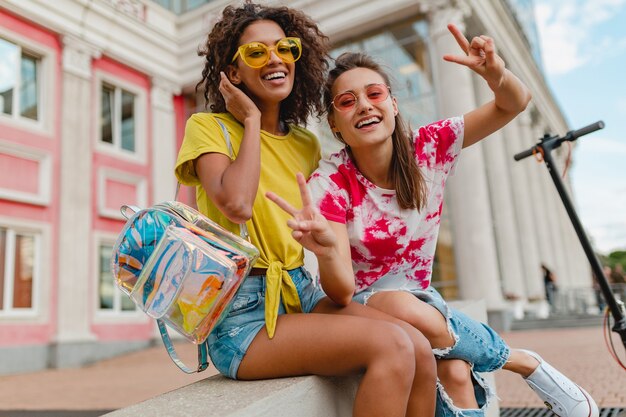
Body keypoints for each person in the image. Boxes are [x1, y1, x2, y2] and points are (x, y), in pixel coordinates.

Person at [268, 24, 599, 417]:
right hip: (360, 307)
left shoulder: (429, 147)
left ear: (392, 104)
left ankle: (499, 361)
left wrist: (496, 74)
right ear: (335, 124)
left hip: (422, 305)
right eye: (346, 101)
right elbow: (340, 291)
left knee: (458, 372)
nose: (364, 106)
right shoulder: (331, 183)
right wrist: (323, 253)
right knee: (404, 309)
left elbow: (514, 103)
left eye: (374, 94)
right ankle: (521, 361)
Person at [175, 3, 440, 416]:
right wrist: (247, 120)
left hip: (302, 291)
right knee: (391, 345)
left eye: (285, 48)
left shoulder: (306, 143)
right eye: (256, 53)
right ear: (233, 73)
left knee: (419, 346)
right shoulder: (207, 128)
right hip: (241, 316)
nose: (275, 58)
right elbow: (237, 204)